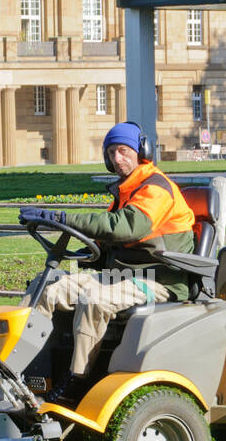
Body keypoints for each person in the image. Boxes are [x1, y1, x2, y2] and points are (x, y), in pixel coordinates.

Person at [17, 121, 196, 404]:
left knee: (95, 300)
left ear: (141, 151)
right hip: (121, 275)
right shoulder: (125, 192)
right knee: (47, 287)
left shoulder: (156, 189)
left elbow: (124, 228)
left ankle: (75, 382)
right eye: (111, 153)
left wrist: (61, 218)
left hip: (160, 280)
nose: (117, 159)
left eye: (123, 151)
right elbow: (104, 243)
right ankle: (15, 369)